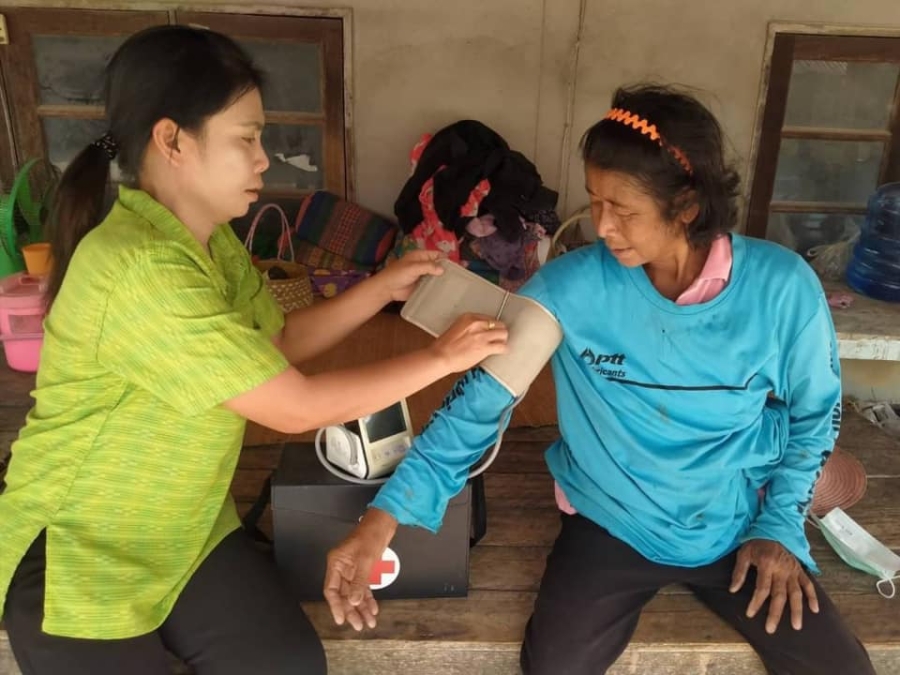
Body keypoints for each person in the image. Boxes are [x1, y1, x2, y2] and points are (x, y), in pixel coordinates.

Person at [0, 25, 507, 675]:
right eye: (246, 138)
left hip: (184, 526)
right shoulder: (138, 267)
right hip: (81, 547)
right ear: (171, 140)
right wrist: (440, 359)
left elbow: (278, 345)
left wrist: (383, 285)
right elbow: (293, 406)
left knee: (289, 664)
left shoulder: (210, 240)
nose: (264, 158)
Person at [323, 84, 876, 675]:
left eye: (625, 210)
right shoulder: (569, 289)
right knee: (553, 666)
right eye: (595, 202)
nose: (603, 227)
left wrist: (781, 524)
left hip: (739, 520)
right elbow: (477, 407)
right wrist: (382, 520)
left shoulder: (782, 288)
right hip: (610, 521)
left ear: (687, 205)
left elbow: (813, 418)